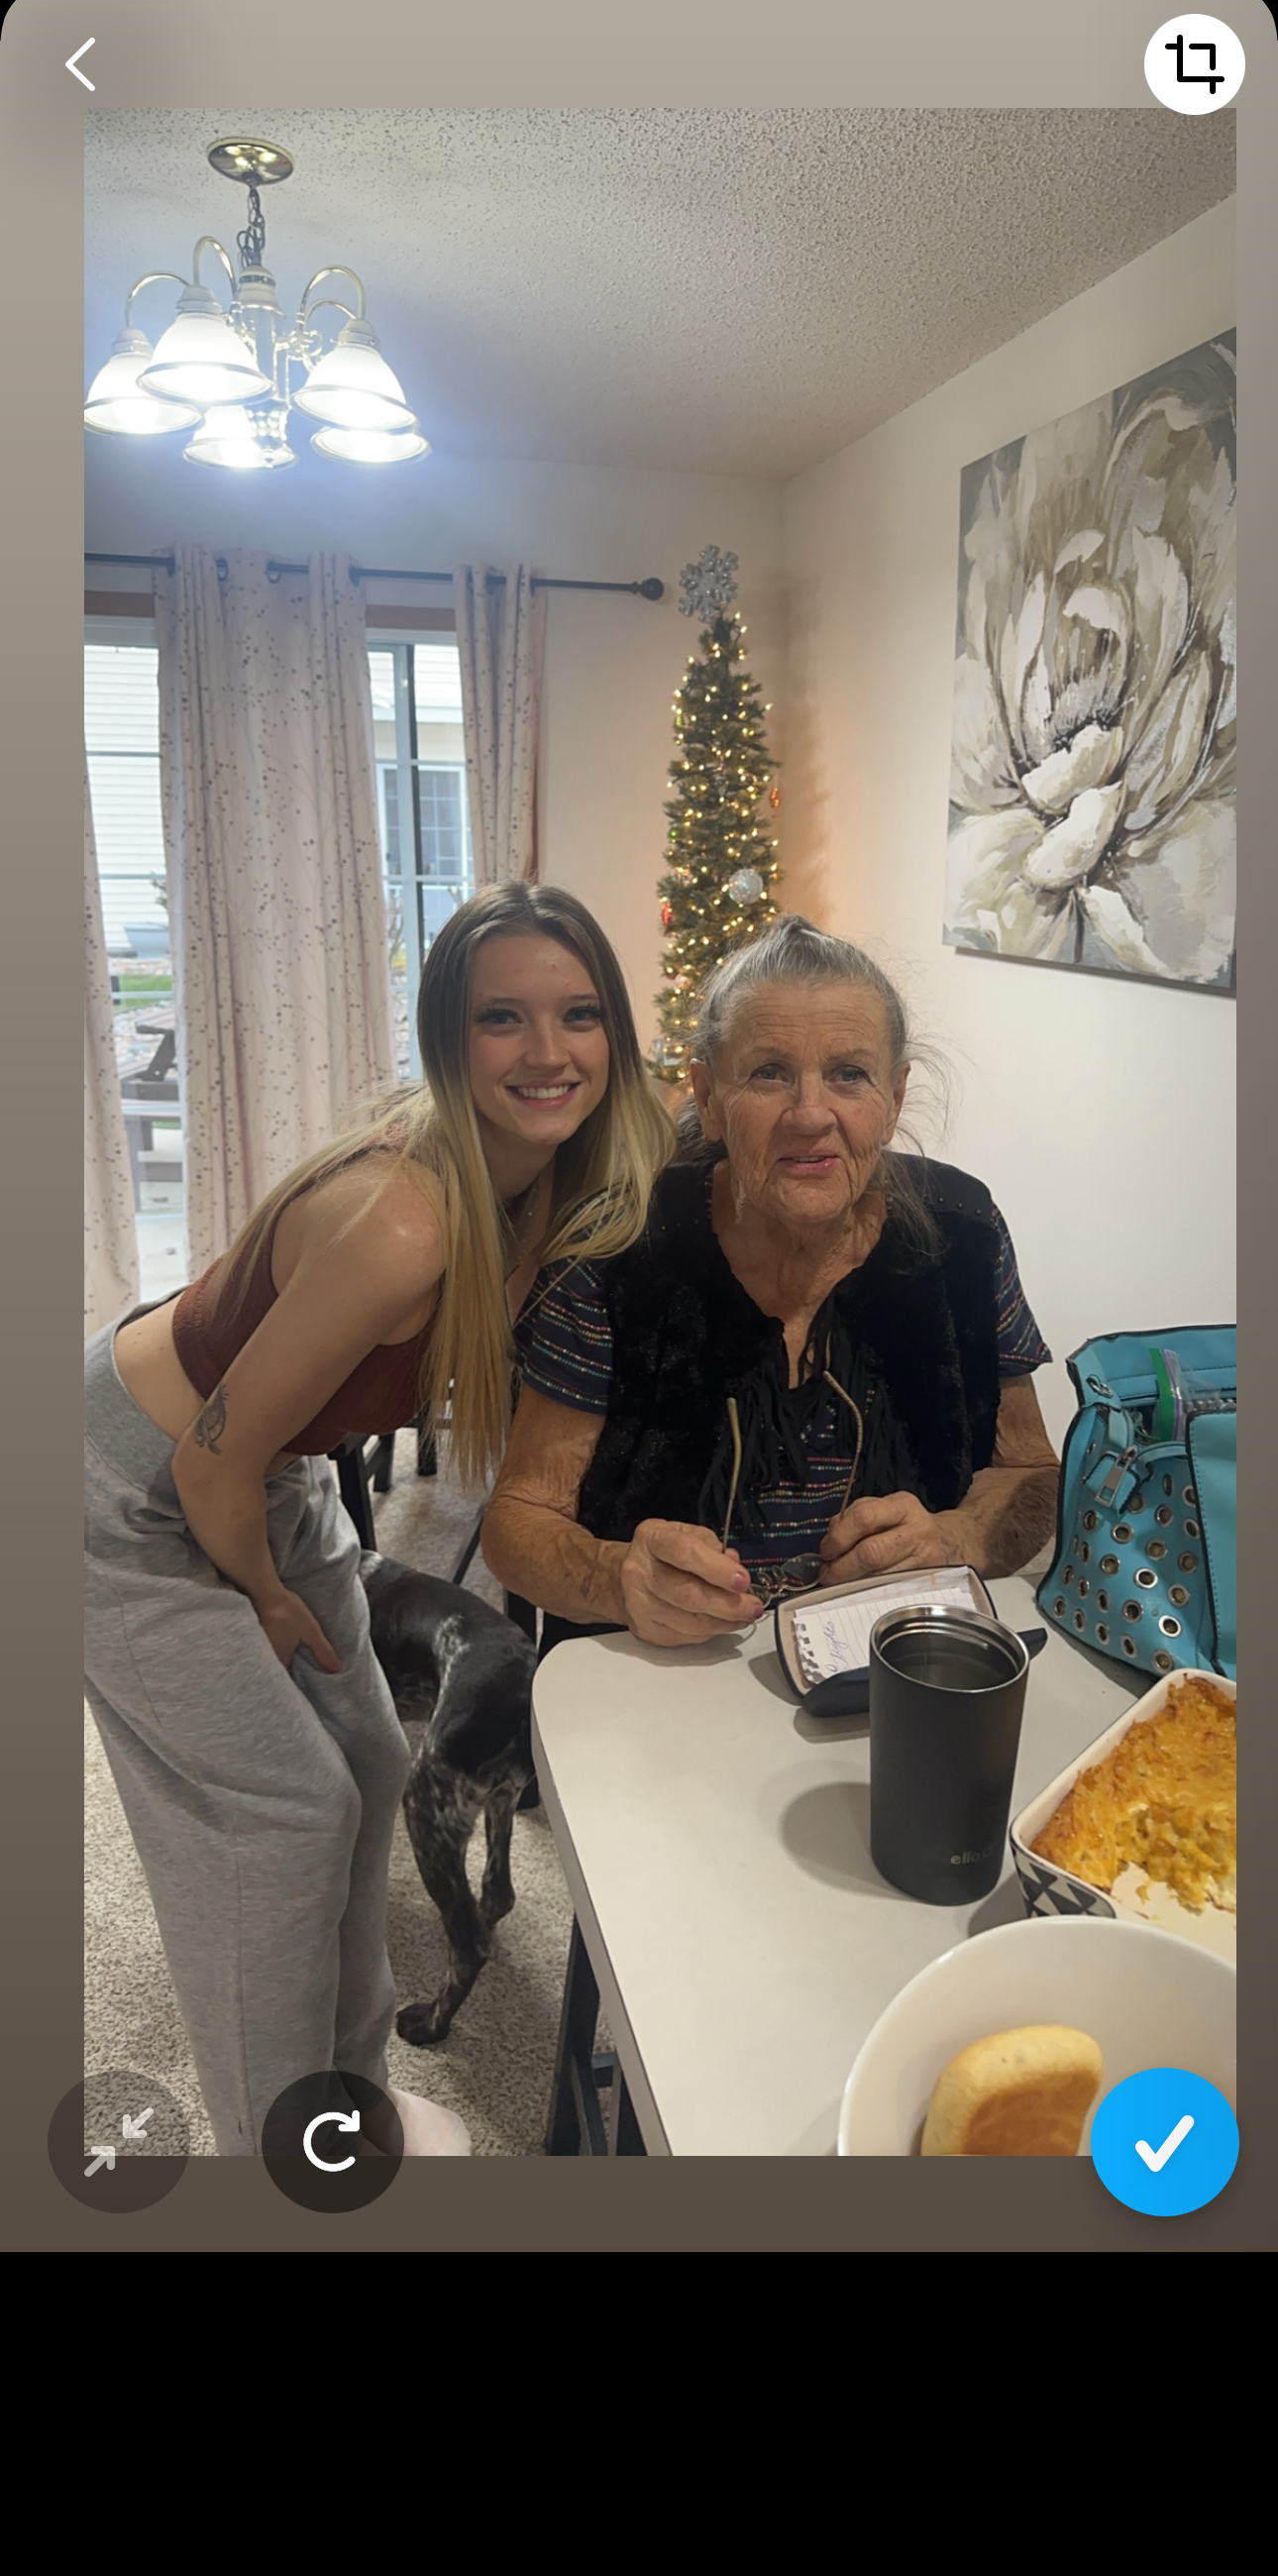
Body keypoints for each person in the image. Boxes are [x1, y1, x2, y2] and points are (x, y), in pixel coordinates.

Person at [84, 884, 673, 2156]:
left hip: (269, 1470)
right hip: (123, 1488)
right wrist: (272, 1595)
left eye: (579, 1016)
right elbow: (203, 1473)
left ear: (618, 1036)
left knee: (367, 1767)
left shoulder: (561, 1181)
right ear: (447, 1041)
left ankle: (340, 2102)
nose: (547, 1051)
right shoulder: (405, 1217)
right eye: (500, 1018)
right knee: (281, 1818)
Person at [481, 916, 1060, 1653]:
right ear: (710, 1097)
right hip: (664, 1676)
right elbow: (516, 1522)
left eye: (849, 1074)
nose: (811, 1114)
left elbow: (1032, 1470)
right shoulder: (617, 1252)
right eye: (768, 1073)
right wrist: (613, 1574)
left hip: (896, 1667)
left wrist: (961, 1535)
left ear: (894, 1096)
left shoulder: (965, 1234)